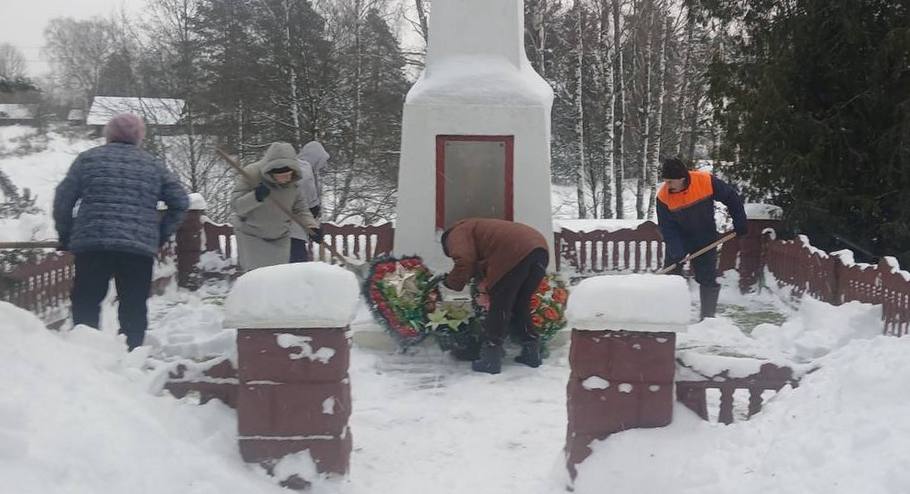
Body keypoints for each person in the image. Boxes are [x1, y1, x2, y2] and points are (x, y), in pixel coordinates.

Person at [52, 113, 189, 351]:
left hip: (93, 244)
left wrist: (66, 235)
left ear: (108, 134)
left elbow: (63, 201)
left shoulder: (87, 160)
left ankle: (86, 352)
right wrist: (159, 235)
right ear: (139, 136)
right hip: (137, 248)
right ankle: (131, 354)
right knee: (133, 303)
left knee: (86, 299)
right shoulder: (153, 165)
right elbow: (180, 202)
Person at [439, 218, 550, 374]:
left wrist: (451, 282)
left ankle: (490, 359)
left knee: (500, 306)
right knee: (520, 304)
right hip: (539, 249)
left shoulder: (456, 233)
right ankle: (531, 352)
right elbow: (479, 262)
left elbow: (464, 260)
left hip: (514, 251)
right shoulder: (480, 229)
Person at [656, 158, 748, 320]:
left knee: (707, 277)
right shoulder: (663, 197)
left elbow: (731, 197)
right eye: (665, 181)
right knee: (671, 276)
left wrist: (739, 221)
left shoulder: (705, 181)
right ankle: (670, 317)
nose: (667, 185)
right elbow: (667, 228)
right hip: (680, 239)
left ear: (682, 178)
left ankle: (707, 319)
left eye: (670, 181)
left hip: (705, 237)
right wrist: (677, 251)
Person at [231, 142, 320, 272]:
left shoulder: (294, 183)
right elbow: (236, 206)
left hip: (280, 238)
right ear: (271, 171)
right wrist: (255, 197)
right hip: (252, 238)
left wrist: (312, 227)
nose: (286, 179)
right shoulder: (251, 174)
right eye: (281, 176)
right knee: (258, 277)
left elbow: (301, 209)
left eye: (288, 175)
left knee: (278, 276)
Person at [289, 141, 331, 263]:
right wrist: (314, 226)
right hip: (293, 230)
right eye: (321, 161)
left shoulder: (295, 166)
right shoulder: (305, 172)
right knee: (297, 266)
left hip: (285, 230)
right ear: (316, 159)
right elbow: (310, 206)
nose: (322, 166)